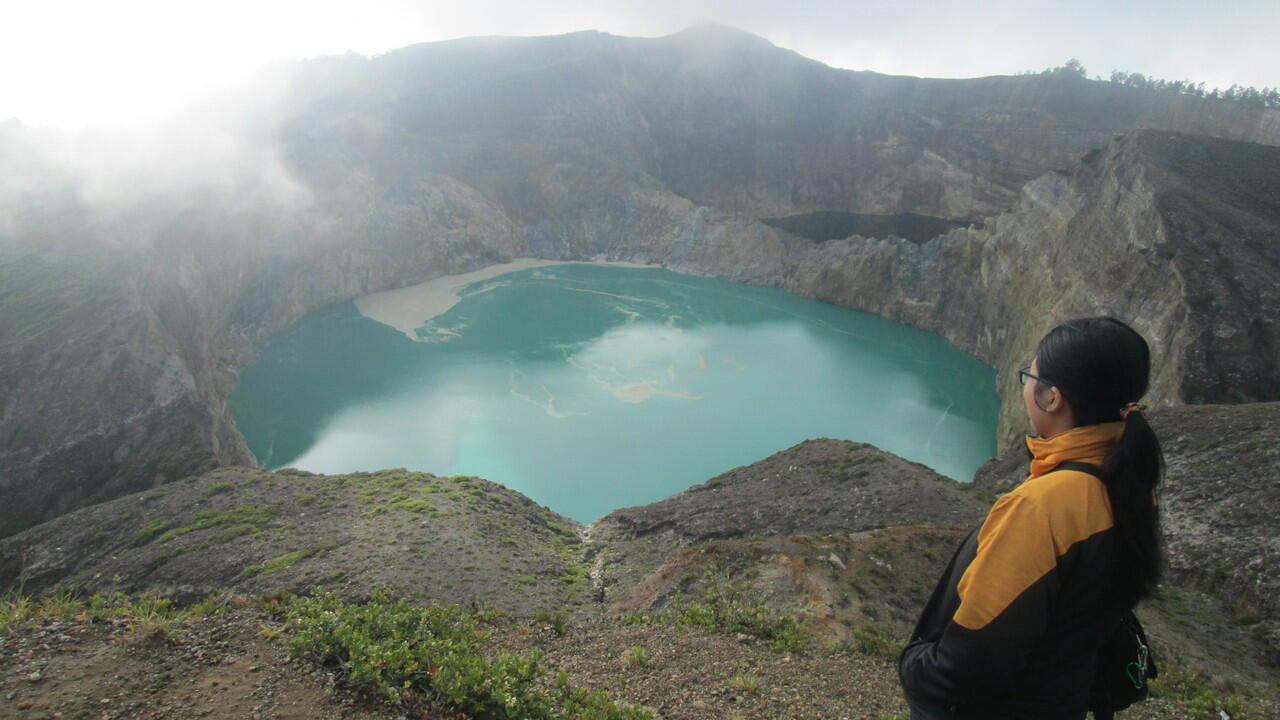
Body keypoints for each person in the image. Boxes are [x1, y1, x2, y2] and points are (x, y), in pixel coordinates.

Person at [898, 317, 1164, 719]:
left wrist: (914, 668)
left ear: (1052, 398)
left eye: (1030, 375)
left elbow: (965, 667)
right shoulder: (1132, 482)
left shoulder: (1042, 509)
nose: (1025, 385)